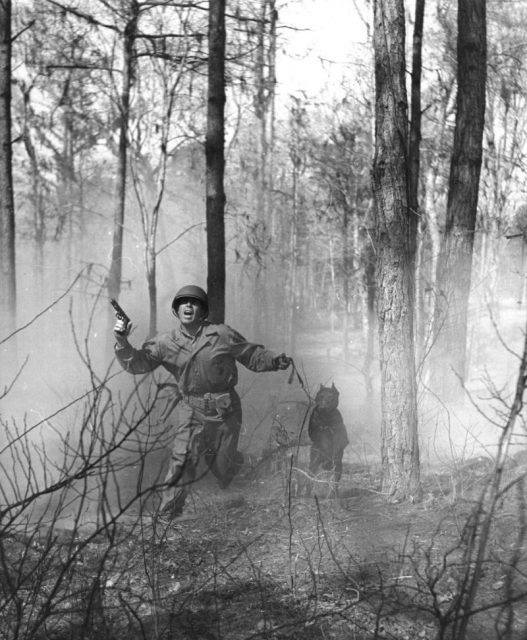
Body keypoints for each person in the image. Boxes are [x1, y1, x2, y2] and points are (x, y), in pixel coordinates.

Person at [112, 284, 291, 519]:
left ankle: (234, 465)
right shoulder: (165, 342)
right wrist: (122, 342)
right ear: (176, 310)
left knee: (223, 466)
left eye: (194, 302)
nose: (188, 306)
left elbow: (251, 355)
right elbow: (136, 363)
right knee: (182, 460)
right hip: (191, 409)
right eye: (183, 302)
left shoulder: (222, 334)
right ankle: (168, 514)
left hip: (225, 411)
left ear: (203, 310)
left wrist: (275, 361)